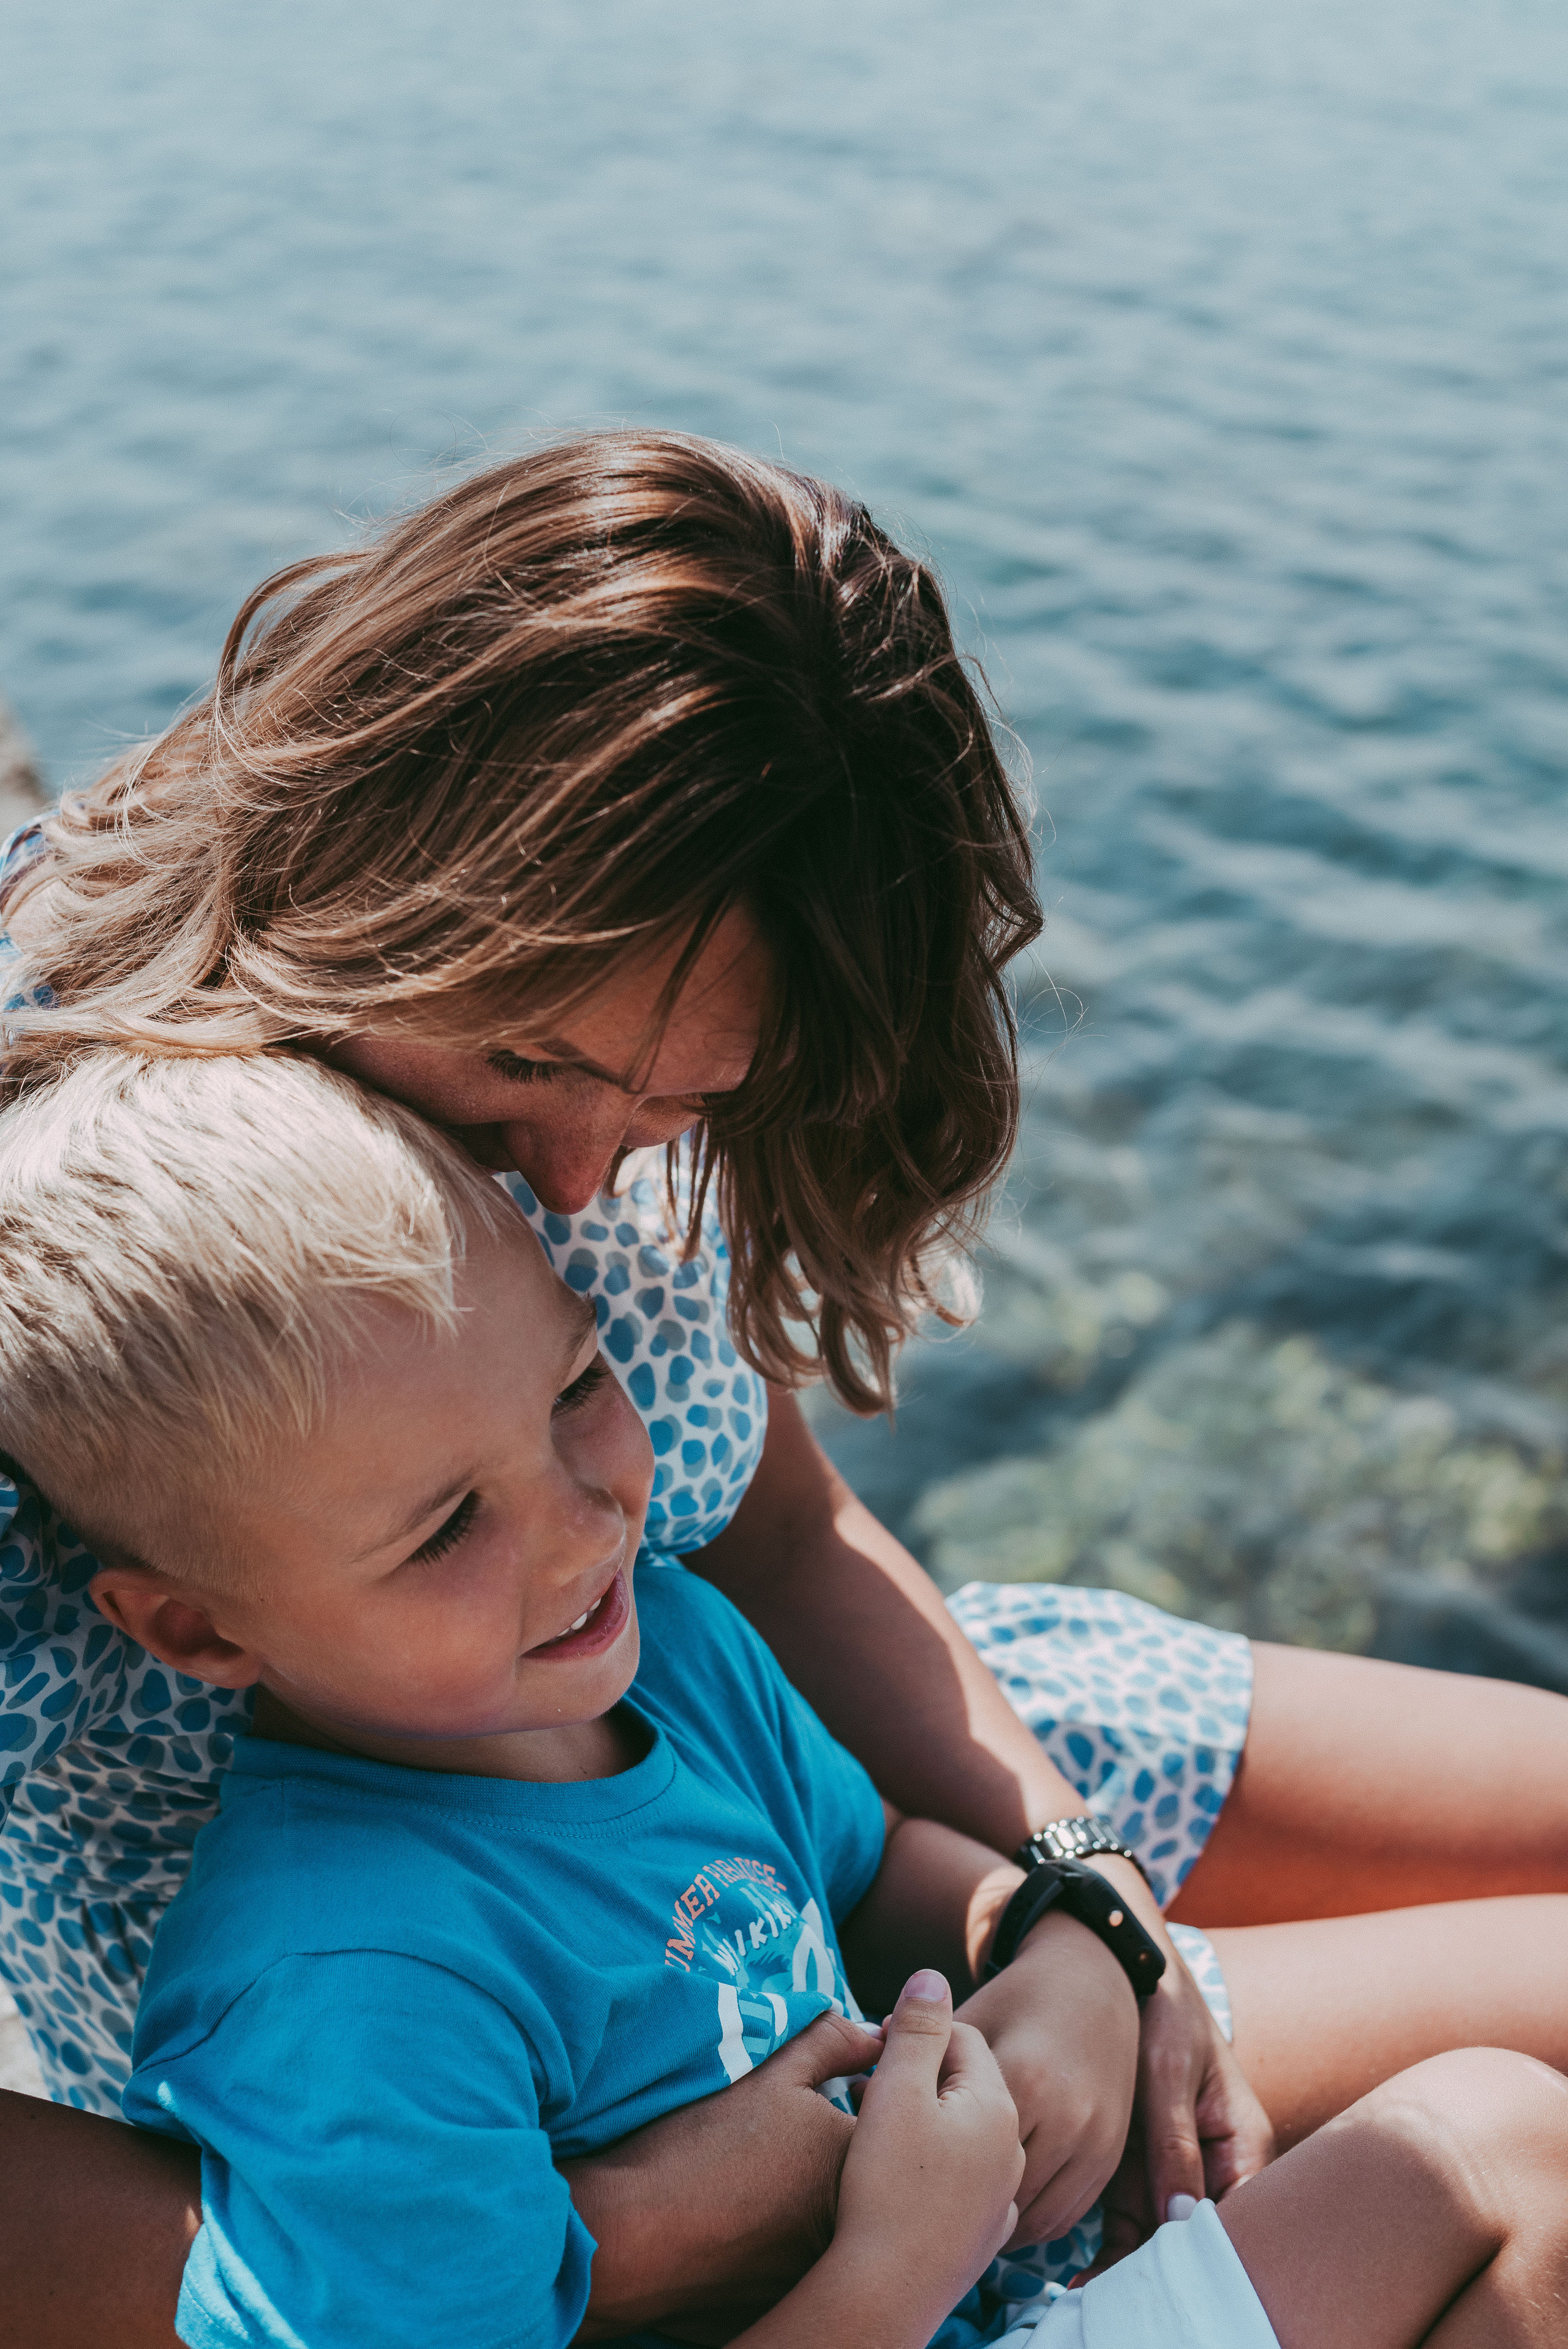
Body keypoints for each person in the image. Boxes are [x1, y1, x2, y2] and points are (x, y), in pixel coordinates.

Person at [0, 432, 1564, 2346]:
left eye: (682, 1105)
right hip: (592, 2036)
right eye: (532, 1064)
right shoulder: (71, 1256)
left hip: (763, 1768)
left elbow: (784, 1533)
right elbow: (368, 2264)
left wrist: (1075, 1884)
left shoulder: (602, 1049)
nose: (583, 1180)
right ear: (395, 846)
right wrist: (587, 2250)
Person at [4, 1049, 1567, 2349]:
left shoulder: (669, 1644)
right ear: (198, 1628)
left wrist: (1065, 1947)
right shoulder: (343, 1987)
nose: (578, 1519)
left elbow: (873, 1863)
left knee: (1492, 2144)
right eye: (443, 1529)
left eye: (571, 1390)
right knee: (1492, 2151)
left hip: (959, 2277)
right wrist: (889, 2271)